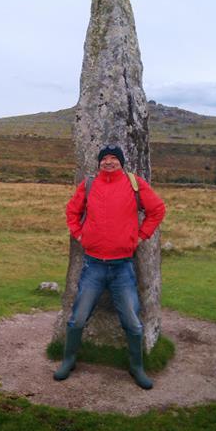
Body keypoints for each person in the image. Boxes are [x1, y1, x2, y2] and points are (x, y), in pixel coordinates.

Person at [53, 144, 166, 389]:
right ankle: (68, 360)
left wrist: (141, 235)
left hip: (123, 267)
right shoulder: (89, 184)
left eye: (114, 158)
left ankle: (137, 367)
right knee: (77, 318)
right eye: (105, 158)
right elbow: (72, 211)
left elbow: (157, 209)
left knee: (133, 322)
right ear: (99, 163)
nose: (109, 162)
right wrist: (80, 235)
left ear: (122, 162)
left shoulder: (134, 184)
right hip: (92, 265)